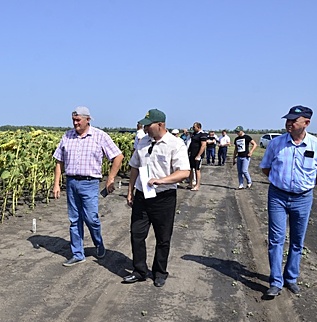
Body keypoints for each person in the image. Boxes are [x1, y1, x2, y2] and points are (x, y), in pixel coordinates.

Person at [260, 105, 317, 297]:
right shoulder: (276, 144)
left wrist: (306, 185)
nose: (288, 123)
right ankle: (275, 281)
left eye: (293, 120)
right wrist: (281, 183)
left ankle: (290, 278)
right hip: (278, 197)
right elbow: (266, 168)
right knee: (276, 240)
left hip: (303, 198)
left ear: (306, 123)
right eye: (287, 120)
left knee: (297, 241)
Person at [124, 109, 190, 287]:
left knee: (163, 237)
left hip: (164, 197)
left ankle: (160, 272)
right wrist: (130, 191)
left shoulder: (175, 144)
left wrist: (162, 181)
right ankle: (139, 270)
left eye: (148, 125)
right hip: (142, 195)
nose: (145, 129)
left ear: (160, 125)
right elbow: (134, 167)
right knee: (137, 234)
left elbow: (184, 172)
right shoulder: (143, 142)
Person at [53, 106, 124, 267]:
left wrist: (110, 179)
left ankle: (98, 243)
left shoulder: (99, 136)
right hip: (71, 182)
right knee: (74, 219)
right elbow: (59, 161)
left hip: (89, 182)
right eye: (73, 120)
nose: (75, 123)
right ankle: (78, 253)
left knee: (91, 218)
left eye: (78, 120)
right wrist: (56, 184)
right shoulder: (67, 136)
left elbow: (118, 156)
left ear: (88, 120)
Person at [187, 122, 207, 191]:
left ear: (198, 127)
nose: (193, 128)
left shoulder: (202, 134)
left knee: (197, 170)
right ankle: (190, 183)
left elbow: (203, 145)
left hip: (197, 155)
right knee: (190, 169)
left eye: (194, 127)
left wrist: (199, 155)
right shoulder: (194, 134)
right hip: (192, 154)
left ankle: (197, 185)